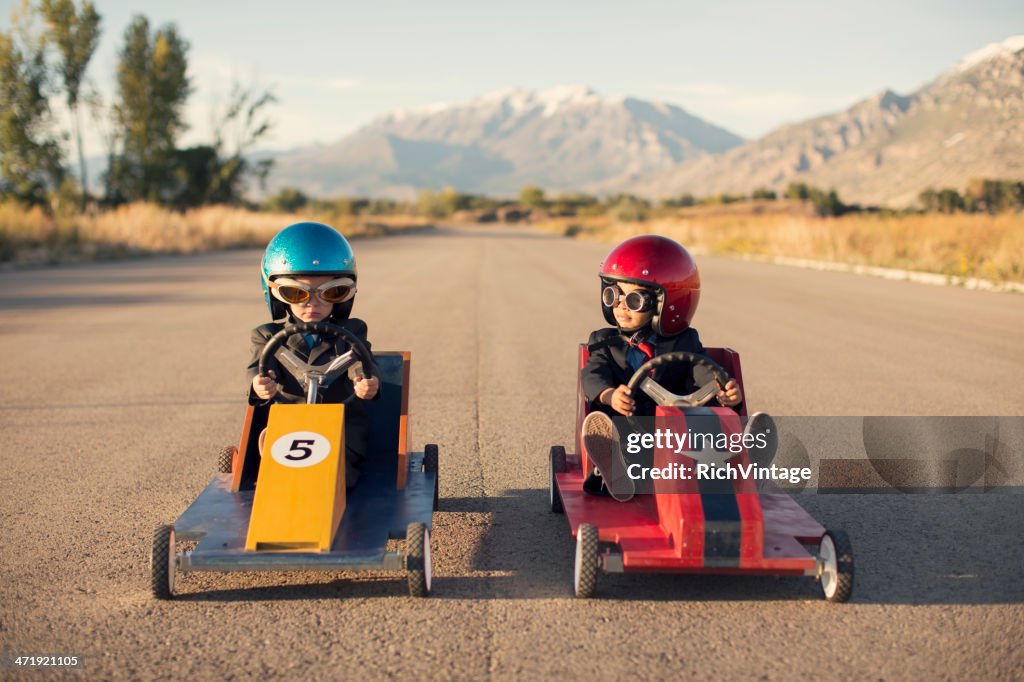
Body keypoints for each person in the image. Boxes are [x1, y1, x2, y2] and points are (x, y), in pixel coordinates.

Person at [580, 235, 743, 501]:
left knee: (707, 431)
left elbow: (701, 371)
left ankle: (741, 461)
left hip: (675, 435)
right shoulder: (603, 341)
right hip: (629, 430)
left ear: (665, 304)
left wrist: (724, 392)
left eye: (634, 300)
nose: (620, 305)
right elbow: (592, 374)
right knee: (617, 432)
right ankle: (612, 467)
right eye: (614, 294)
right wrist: (609, 395)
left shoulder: (685, 341)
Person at [247, 221, 380, 487]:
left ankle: (332, 508)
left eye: (331, 292)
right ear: (276, 294)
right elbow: (259, 368)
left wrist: (365, 381)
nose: (313, 304)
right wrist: (260, 384)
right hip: (287, 425)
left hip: (341, 425)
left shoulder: (353, 330)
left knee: (334, 477)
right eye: (297, 293)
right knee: (276, 475)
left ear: (345, 294)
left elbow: (359, 360)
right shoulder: (266, 336)